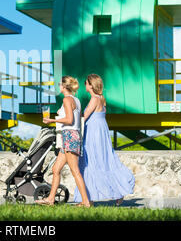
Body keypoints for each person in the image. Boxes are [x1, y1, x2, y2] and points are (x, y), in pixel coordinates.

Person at [74, 74, 135, 206]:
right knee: (104, 162)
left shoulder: (95, 99)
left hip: (93, 134)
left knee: (91, 162)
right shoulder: (101, 98)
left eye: (85, 83)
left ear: (90, 85)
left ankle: (88, 199)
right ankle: (96, 197)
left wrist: (71, 113)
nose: (84, 85)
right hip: (100, 132)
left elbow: (85, 115)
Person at [36, 76, 92, 207]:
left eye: (60, 85)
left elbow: (69, 120)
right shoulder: (75, 100)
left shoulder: (67, 99)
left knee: (75, 170)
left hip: (70, 135)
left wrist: (52, 121)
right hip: (71, 135)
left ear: (64, 86)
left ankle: (86, 202)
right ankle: (50, 199)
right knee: (56, 169)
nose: (58, 87)